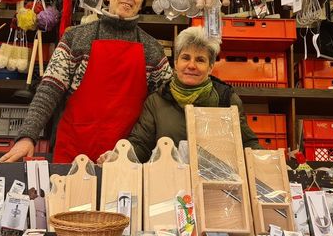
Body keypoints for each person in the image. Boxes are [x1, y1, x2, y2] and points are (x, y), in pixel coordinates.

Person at [0, 0, 172, 163]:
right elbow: (49, 90)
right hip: (74, 150)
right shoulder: (76, 37)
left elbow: (167, 103)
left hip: (125, 158)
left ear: (141, 3)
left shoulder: (153, 50)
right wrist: (27, 136)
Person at [109, 26, 262, 163]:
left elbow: (247, 143)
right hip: (170, 186)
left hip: (216, 189)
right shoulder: (156, 101)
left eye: (200, 60)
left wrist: (267, 164)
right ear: (175, 63)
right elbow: (141, 144)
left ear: (210, 67)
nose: (191, 65)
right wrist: (120, 156)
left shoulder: (226, 99)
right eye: (185, 58)